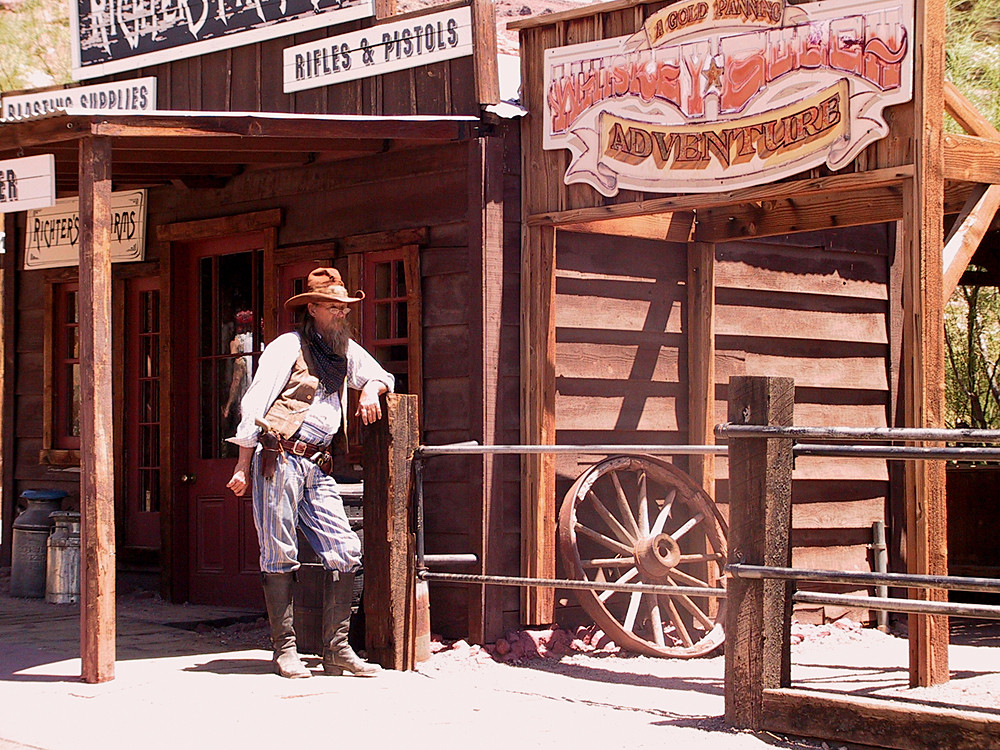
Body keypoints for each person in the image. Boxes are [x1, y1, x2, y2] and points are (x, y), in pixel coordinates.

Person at [226, 267, 393, 679]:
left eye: (344, 307)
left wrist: (370, 389)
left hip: (317, 464)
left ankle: (336, 650)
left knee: (344, 549)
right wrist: (242, 465)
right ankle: (285, 650)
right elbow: (256, 402)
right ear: (313, 307)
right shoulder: (288, 346)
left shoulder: (343, 349)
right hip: (279, 458)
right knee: (278, 550)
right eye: (334, 307)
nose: (341, 313)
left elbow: (380, 374)